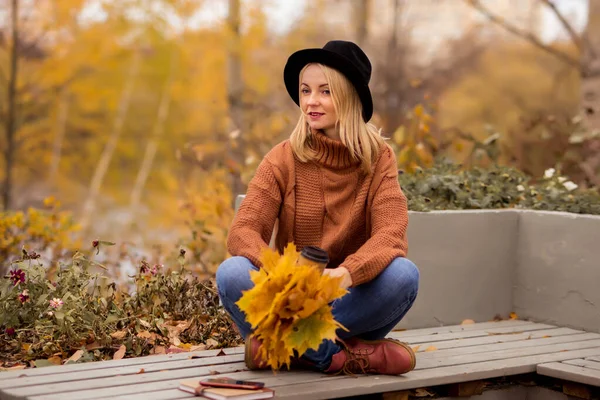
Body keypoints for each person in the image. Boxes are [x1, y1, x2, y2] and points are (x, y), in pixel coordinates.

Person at [216, 40, 419, 375]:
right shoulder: (283, 157)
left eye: (325, 91)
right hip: (289, 299)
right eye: (305, 90)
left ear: (349, 96)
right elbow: (243, 231)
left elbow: (391, 234)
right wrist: (284, 275)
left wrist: (345, 275)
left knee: (404, 276)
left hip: (345, 298)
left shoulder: (379, 159)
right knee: (231, 272)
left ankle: (281, 348)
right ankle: (341, 356)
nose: (311, 101)